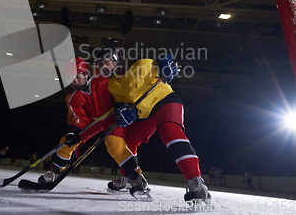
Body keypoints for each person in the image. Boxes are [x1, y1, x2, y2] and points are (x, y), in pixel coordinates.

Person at [38, 51, 146, 199]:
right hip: (93, 122)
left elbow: (122, 88)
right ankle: (56, 172)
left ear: (85, 72)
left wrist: (124, 104)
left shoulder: (102, 77)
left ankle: (136, 178)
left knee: (113, 143)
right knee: (67, 141)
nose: (75, 81)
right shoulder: (72, 97)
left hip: (113, 117)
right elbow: (79, 118)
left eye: (78, 76)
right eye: (70, 78)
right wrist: (74, 130)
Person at [108, 55, 211, 204]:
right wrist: (121, 110)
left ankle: (196, 183)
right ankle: (130, 177)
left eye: (111, 61)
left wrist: (170, 66)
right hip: (143, 114)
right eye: (104, 63)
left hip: (165, 100)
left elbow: (168, 66)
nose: (109, 65)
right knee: (128, 143)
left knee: (170, 130)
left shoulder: (143, 64)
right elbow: (120, 103)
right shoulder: (111, 84)